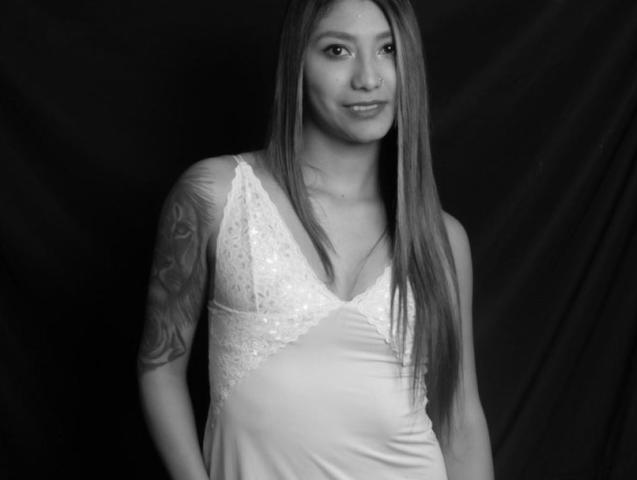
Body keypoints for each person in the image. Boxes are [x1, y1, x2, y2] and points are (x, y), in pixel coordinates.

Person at [137, 0, 494, 478]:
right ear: (297, 64)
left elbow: (460, 425)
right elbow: (160, 369)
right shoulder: (218, 196)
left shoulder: (442, 240)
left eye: (387, 49)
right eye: (337, 50)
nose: (368, 77)